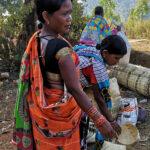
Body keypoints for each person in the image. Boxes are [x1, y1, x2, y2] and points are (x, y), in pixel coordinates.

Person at [11, 0, 118, 150]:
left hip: (42, 115)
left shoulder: (37, 39)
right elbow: (74, 89)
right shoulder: (62, 49)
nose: (70, 18)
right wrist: (100, 120)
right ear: (46, 16)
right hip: (62, 118)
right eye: (65, 13)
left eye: (70, 13)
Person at [74, 35, 127, 149]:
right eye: (116, 58)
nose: (117, 62)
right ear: (105, 53)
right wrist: (111, 120)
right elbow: (100, 98)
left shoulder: (95, 48)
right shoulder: (98, 67)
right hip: (67, 84)